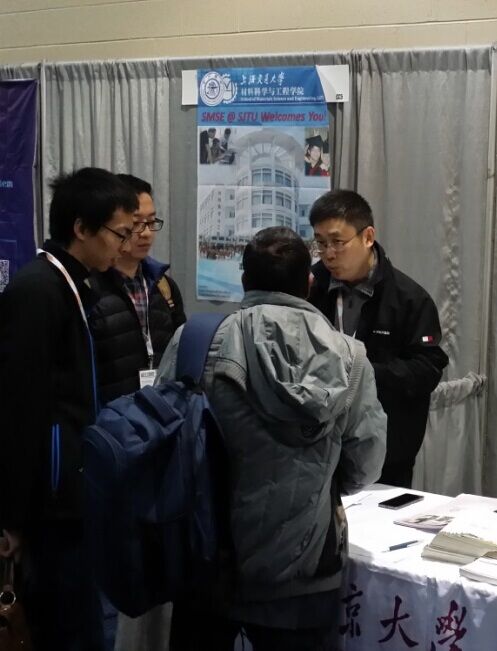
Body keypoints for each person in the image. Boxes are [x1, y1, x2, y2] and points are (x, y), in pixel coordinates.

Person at [156, 226, 387, 650]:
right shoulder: (350, 357)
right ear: (309, 282)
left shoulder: (197, 340)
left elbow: (163, 438)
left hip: (209, 554)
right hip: (307, 563)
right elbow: (365, 464)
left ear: (245, 279)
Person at [0, 167, 138, 650]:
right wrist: (12, 516)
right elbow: (18, 409)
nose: (124, 245)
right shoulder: (37, 291)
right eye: (118, 233)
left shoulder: (78, 283)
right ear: (81, 228)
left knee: (82, 620)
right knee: (63, 626)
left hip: (76, 490)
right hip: (50, 502)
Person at [308, 189, 449, 488]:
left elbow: (427, 370)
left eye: (337, 242)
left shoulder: (408, 298)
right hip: (315, 447)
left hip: (385, 453)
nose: (328, 254)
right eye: (320, 243)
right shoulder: (309, 286)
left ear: (368, 237)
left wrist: (361, 372)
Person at [89, 174, 186, 405]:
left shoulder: (164, 287)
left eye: (151, 222)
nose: (146, 233)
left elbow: (179, 351)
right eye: (136, 223)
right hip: (109, 419)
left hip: (159, 413)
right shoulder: (89, 288)